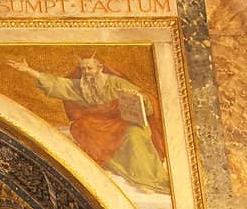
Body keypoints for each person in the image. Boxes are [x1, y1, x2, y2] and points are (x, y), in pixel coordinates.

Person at [10, 56, 169, 195]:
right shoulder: (79, 86)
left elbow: (145, 100)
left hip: (121, 122)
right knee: (83, 127)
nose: (86, 72)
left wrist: (138, 98)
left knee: (135, 135)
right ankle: (117, 166)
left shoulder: (115, 82)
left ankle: (147, 179)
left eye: (90, 68)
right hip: (97, 124)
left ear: (100, 68)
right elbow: (57, 84)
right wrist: (28, 70)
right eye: (83, 68)